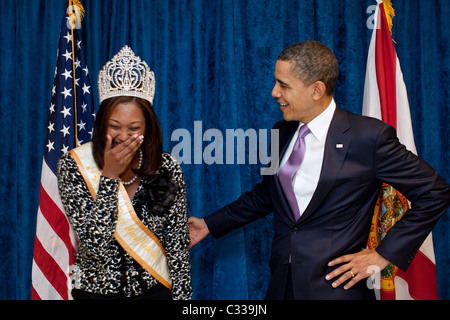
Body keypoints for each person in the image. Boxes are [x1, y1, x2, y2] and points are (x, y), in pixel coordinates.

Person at [188, 41, 450, 300]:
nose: (273, 92)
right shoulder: (282, 132)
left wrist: (383, 254)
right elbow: (267, 195)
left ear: (316, 90)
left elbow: (435, 192)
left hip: (335, 291)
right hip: (281, 286)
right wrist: (210, 224)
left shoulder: (369, 137)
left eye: (284, 85)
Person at [58, 46, 192, 300]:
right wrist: (108, 177)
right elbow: (94, 245)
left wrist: (183, 299)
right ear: (101, 124)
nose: (123, 137)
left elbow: (177, 245)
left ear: (148, 127)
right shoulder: (74, 165)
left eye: (134, 128)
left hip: (155, 291)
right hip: (96, 293)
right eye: (114, 126)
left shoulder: (166, 166)